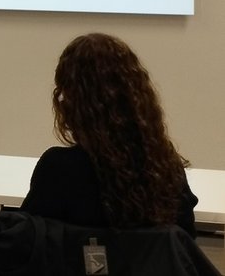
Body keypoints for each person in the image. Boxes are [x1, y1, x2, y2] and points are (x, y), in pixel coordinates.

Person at [21, 33, 198, 236]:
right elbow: (184, 247)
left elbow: (27, 245)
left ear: (72, 102)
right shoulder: (166, 168)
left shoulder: (60, 168)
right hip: (153, 269)